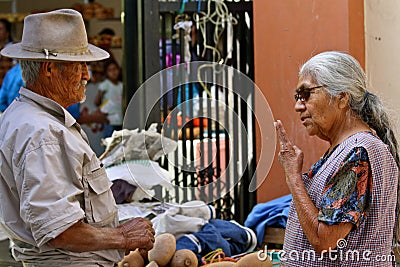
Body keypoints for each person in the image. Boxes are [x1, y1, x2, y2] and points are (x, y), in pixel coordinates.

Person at [0, 9, 154, 266]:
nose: (87, 75)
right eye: (79, 65)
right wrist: (122, 237)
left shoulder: (28, 117)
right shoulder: (42, 132)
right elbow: (61, 232)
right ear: (49, 69)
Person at [275, 51, 399, 266]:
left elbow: (324, 241)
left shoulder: (358, 152)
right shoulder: (348, 148)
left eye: (306, 94)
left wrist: (293, 177)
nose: (298, 106)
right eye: (297, 97)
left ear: (342, 97)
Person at [94, 59, 123, 138]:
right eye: (110, 70)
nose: (113, 72)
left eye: (115, 69)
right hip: (109, 121)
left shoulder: (122, 85)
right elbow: (97, 101)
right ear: (106, 73)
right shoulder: (105, 85)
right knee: (109, 143)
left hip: (121, 119)